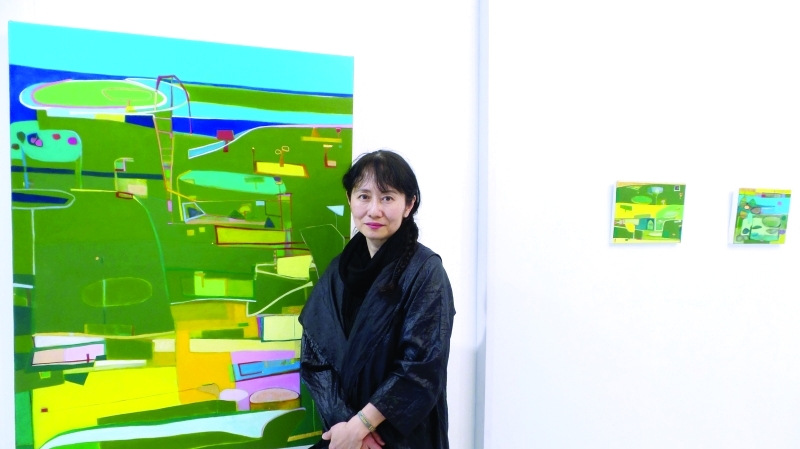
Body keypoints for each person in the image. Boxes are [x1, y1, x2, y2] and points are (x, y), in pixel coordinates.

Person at [299, 150, 455, 449]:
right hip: (345, 433)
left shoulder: (426, 271)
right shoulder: (338, 270)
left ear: (409, 204)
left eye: (387, 198)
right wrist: (345, 426)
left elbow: (421, 366)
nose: (374, 210)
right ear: (349, 199)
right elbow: (316, 355)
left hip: (399, 435)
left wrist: (363, 425)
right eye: (364, 196)